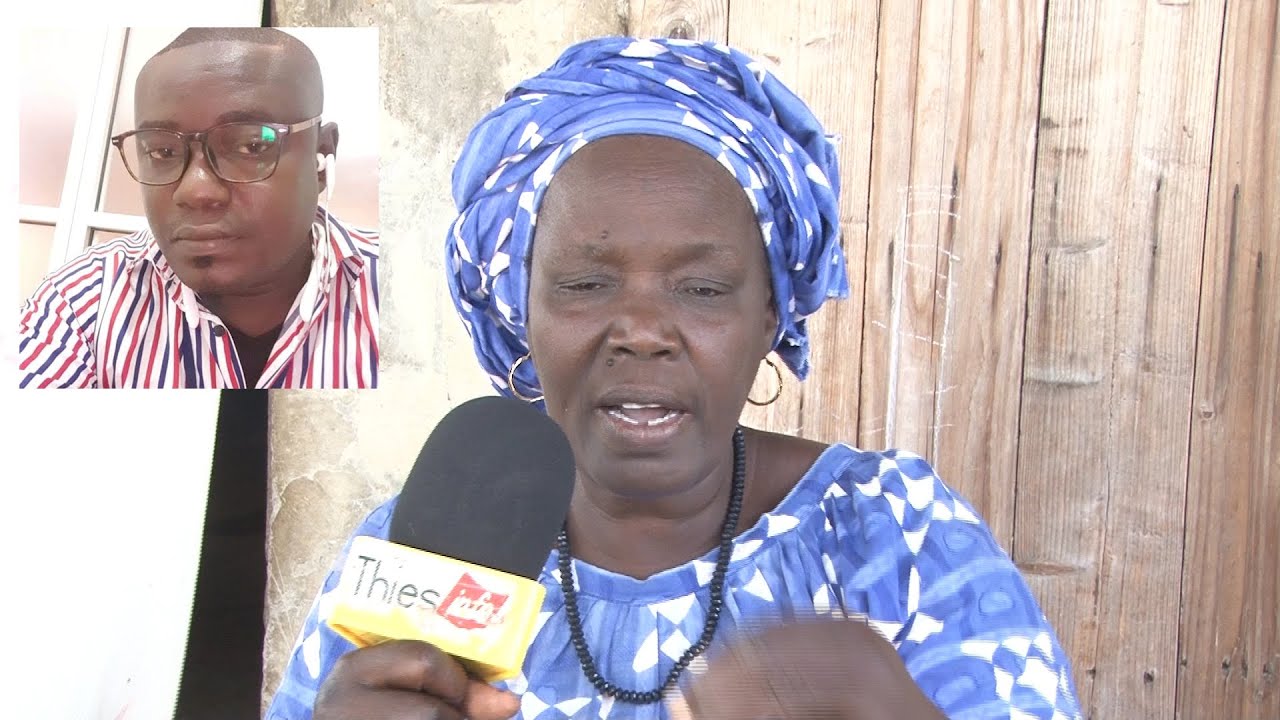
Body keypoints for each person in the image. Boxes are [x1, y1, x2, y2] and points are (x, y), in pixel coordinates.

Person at [268, 38, 1082, 719]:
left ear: (771, 318)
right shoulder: (419, 550)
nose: (645, 332)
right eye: (587, 284)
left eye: (701, 289)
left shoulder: (890, 537)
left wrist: (886, 701)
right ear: (524, 312)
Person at [17, 28, 379, 389]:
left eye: (251, 146)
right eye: (162, 152)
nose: (196, 191)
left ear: (322, 156)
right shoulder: (83, 300)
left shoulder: (396, 290)